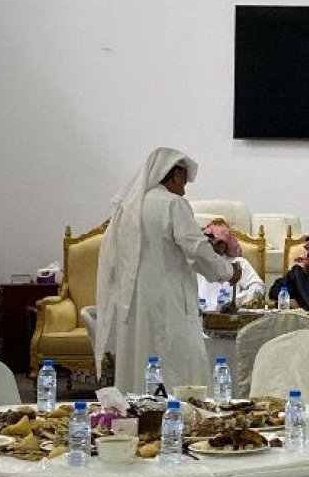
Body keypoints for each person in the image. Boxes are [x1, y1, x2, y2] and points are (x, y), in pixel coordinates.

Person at [96, 150, 240, 393]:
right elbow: (197, 249)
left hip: (134, 303)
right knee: (175, 366)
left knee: (139, 361)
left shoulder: (129, 206)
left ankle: (137, 411)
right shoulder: (173, 204)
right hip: (169, 302)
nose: (185, 186)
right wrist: (228, 272)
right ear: (173, 174)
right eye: (184, 178)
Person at [196, 222, 264, 313]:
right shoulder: (197, 263)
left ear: (227, 244)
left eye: (220, 243)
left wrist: (236, 301)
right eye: (211, 242)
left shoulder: (238, 263)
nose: (214, 246)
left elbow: (258, 288)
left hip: (230, 316)